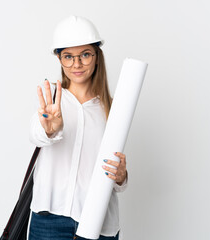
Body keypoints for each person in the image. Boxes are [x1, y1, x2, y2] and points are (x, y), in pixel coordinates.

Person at [28, 16, 128, 240]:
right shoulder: (51, 99)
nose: (77, 64)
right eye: (68, 56)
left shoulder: (112, 108)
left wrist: (122, 176)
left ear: (96, 56)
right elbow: (35, 134)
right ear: (59, 58)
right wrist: (50, 130)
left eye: (85, 54)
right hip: (49, 220)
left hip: (98, 222)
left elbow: (115, 174)